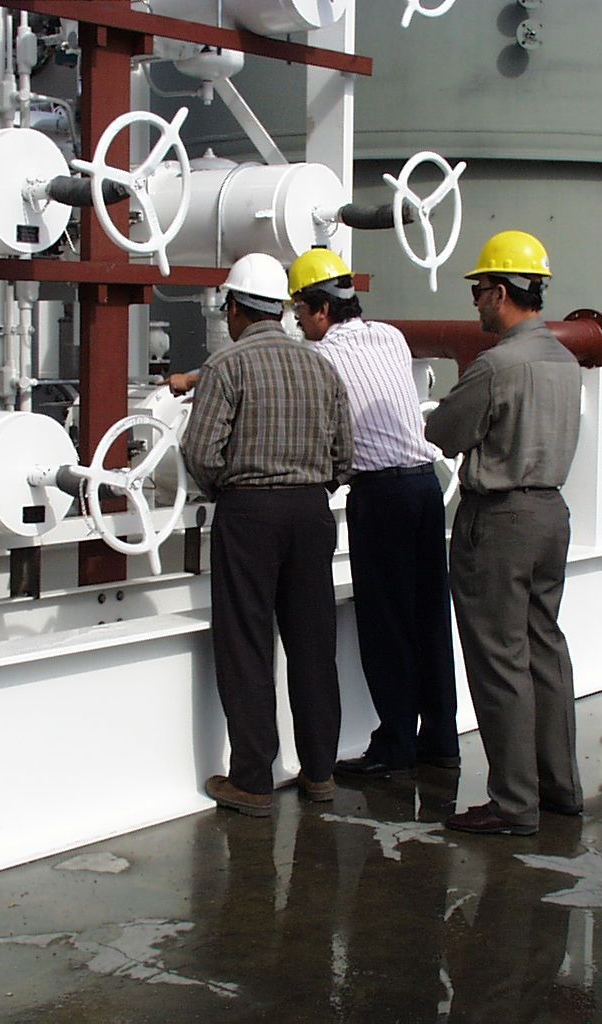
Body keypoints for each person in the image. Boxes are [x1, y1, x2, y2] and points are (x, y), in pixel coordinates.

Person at [181, 252, 355, 818]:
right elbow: (344, 456)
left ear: (234, 309)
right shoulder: (321, 366)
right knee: (312, 644)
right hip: (310, 513)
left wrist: (228, 490)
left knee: (247, 646)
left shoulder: (227, 366)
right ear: (280, 309)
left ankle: (253, 780)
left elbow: (199, 452)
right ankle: (320, 773)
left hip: (249, 513)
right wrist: (309, 488)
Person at [424, 230, 584, 836]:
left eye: (479, 292)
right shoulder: (564, 361)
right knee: (545, 649)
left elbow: (443, 433)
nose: (476, 304)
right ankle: (558, 787)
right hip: (552, 515)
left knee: (499, 662)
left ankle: (515, 804)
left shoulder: (497, 365)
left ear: (499, 291)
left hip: (500, 522)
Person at [288, 247, 460, 780]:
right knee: (430, 616)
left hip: (379, 497)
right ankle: (440, 738)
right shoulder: (391, 336)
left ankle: (394, 746)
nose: (297, 321)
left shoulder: (319, 357)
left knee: (385, 624)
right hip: (424, 489)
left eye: (299, 311)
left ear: (320, 310)